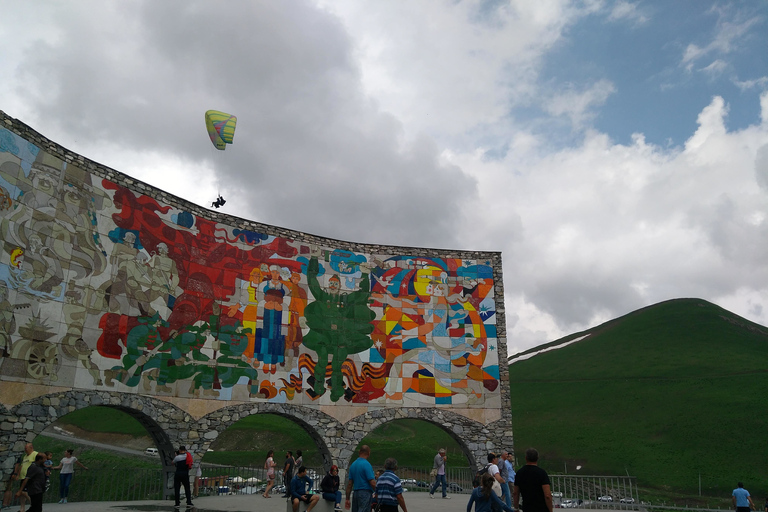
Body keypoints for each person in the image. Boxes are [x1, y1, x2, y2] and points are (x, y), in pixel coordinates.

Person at [345, 445, 376, 512]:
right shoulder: (366, 464)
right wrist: (378, 492)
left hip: (355, 493)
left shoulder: (353, 465)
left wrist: (347, 498)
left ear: (359, 452)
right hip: (365, 493)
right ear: (369, 453)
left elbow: (350, 484)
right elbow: (372, 482)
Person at [14, 442, 38, 512]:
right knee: (21, 493)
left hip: (30, 477)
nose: (25, 450)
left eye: (26, 448)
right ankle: (22, 508)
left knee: (24, 492)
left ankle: (34, 505)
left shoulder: (35, 454)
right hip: (23, 476)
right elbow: (22, 465)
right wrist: (18, 474)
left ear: (31, 448)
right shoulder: (25, 456)